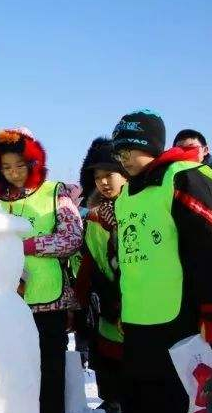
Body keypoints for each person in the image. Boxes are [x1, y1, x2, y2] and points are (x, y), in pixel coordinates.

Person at [111, 110, 212, 413]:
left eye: (130, 149)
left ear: (151, 145)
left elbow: (206, 245)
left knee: (178, 400)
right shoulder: (127, 193)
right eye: (119, 152)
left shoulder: (182, 178)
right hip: (138, 320)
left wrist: (208, 310)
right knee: (140, 398)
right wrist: (121, 305)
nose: (124, 158)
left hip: (180, 319)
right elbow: (128, 258)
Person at [0, 127, 82, 413]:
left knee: (50, 376)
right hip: (8, 303)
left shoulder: (54, 192)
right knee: (14, 376)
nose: (14, 173)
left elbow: (72, 237)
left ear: (34, 163)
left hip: (49, 303)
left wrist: (28, 246)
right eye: (6, 167)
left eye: (20, 165)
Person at [75, 137, 128, 413]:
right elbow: (89, 261)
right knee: (108, 366)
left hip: (134, 306)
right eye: (97, 178)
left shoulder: (135, 209)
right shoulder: (94, 217)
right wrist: (81, 301)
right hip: (104, 305)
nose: (104, 182)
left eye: (109, 175)